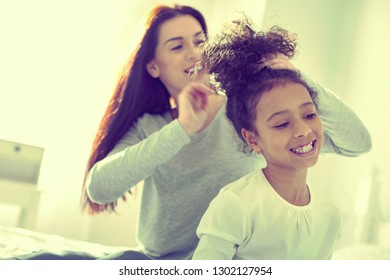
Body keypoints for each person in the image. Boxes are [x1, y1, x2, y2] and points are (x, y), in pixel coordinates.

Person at [9, 4, 371, 260]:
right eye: (177, 45)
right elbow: (100, 187)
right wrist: (183, 129)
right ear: (153, 65)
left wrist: (294, 74)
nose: (194, 53)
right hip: (158, 265)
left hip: (230, 265)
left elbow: (356, 143)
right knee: (46, 261)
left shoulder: (245, 117)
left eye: (200, 41)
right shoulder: (151, 127)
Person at [191, 18, 360, 260]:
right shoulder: (236, 205)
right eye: (282, 124)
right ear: (253, 139)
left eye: (310, 114)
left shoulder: (329, 215)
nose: (303, 130)